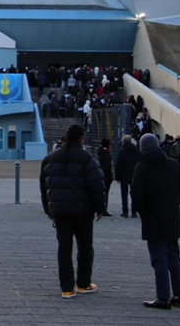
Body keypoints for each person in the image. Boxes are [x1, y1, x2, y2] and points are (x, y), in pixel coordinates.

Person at [39, 124, 106, 298]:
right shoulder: (86, 158)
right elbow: (96, 185)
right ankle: (83, 284)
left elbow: (44, 186)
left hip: (60, 212)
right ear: (81, 138)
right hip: (83, 212)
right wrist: (100, 208)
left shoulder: (49, 158)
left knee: (64, 249)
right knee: (85, 247)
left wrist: (48, 208)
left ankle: (67, 288)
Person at [132, 133, 180, 309]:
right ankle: (178, 295)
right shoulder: (173, 164)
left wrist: (144, 212)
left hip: (152, 217)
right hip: (172, 216)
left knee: (159, 257)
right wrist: (173, 203)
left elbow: (136, 196)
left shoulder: (141, 167)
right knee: (174, 255)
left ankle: (163, 297)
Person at [115, 136, 140, 218]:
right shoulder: (136, 151)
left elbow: (118, 165)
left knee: (124, 194)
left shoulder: (122, 152)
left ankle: (125, 211)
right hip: (134, 175)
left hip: (124, 175)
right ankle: (134, 212)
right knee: (134, 194)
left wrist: (117, 177)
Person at [97, 138, 114, 216]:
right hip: (106, 177)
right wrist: (110, 177)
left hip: (100, 175)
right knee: (105, 193)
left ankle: (99, 209)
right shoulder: (107, 154)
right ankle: (104, 210)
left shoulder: (100, 153)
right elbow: (107, 167)